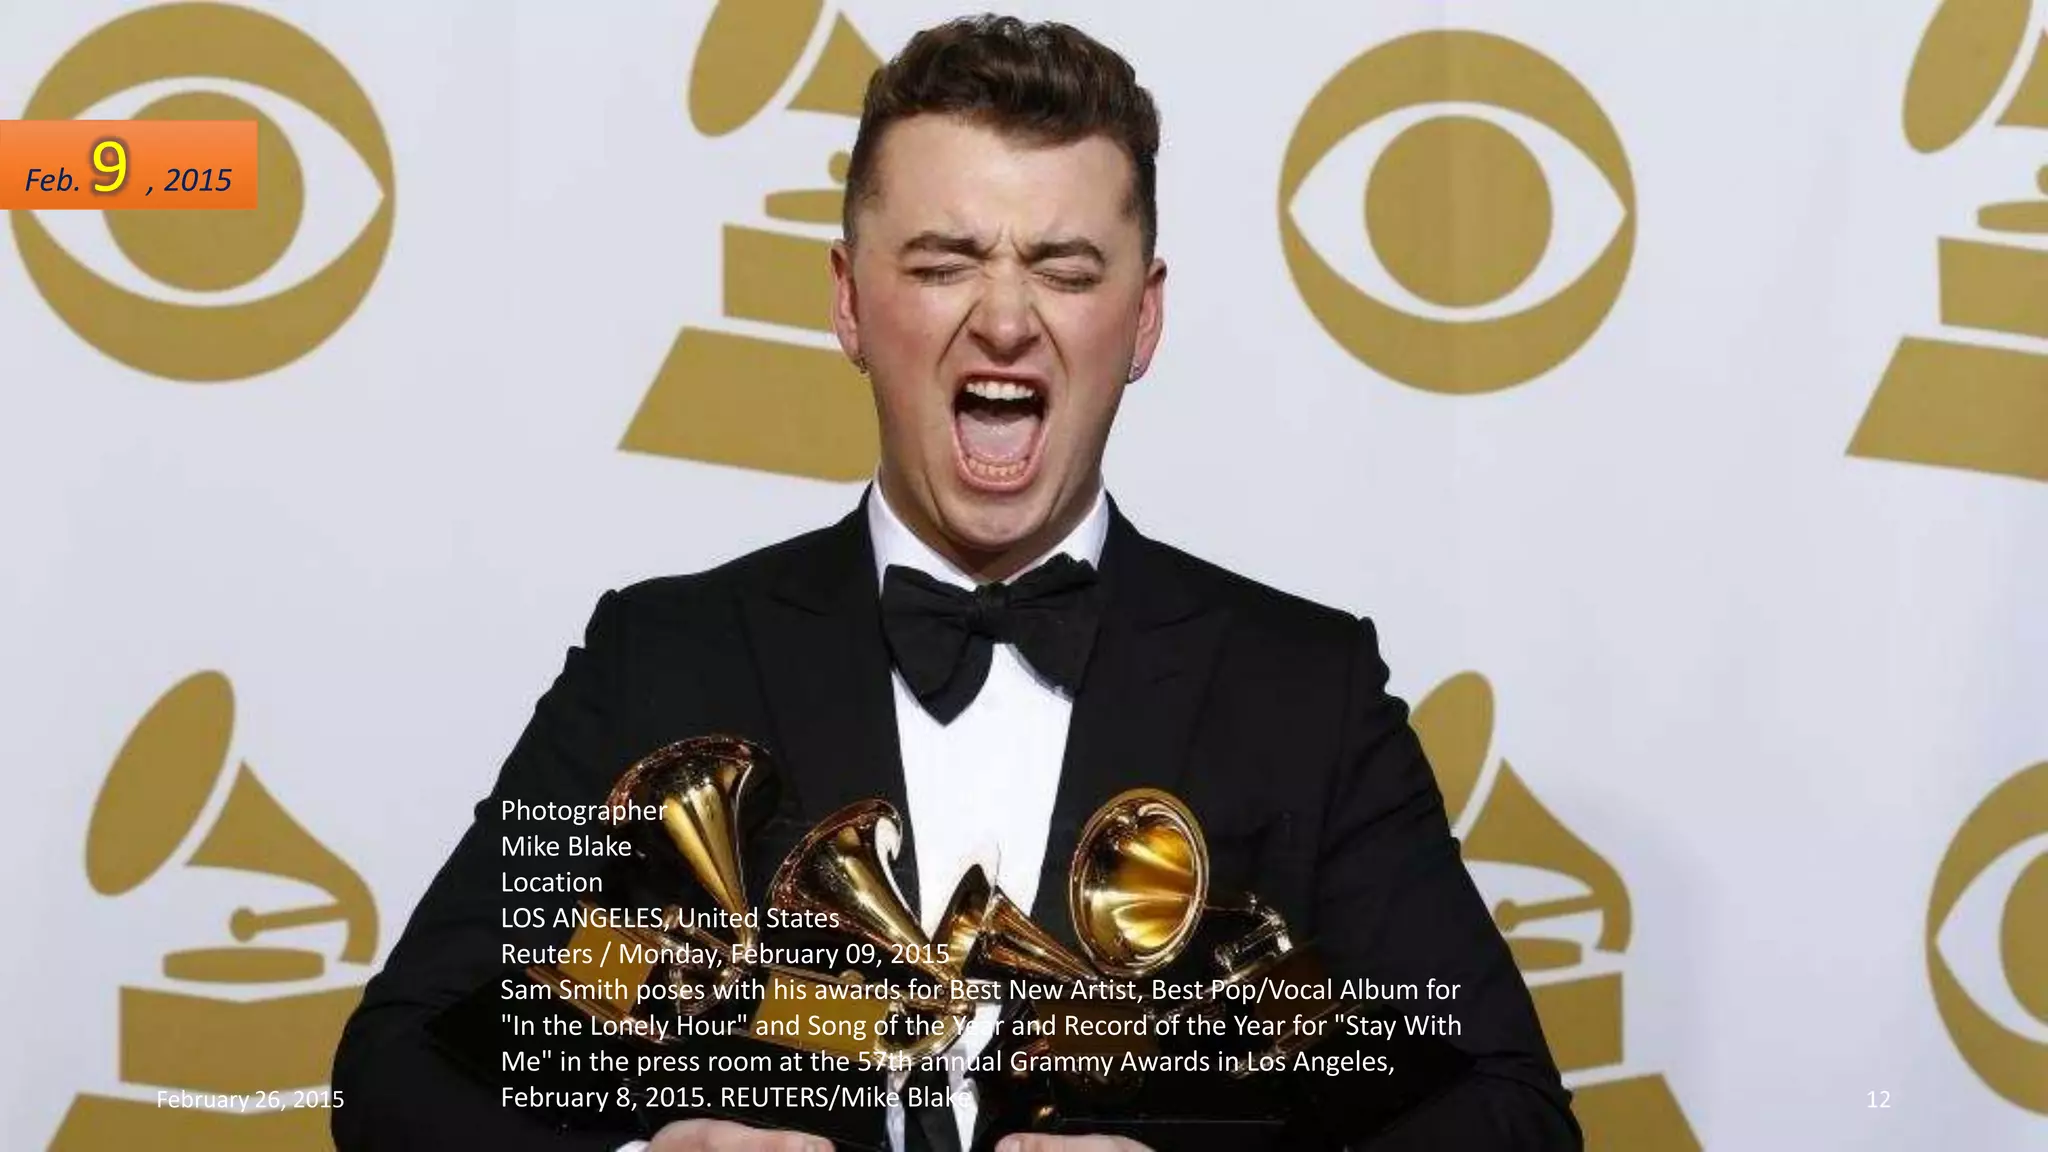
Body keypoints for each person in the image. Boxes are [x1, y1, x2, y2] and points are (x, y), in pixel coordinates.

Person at [333, 14, 1579, 1152]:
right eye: (941, 263)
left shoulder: (1303, 689)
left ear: (1141, 322)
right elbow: (396, 1069)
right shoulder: (658, 660)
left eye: (1065, 268)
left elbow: (1507, 1114)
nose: (1002, 319)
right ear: (848, 303)